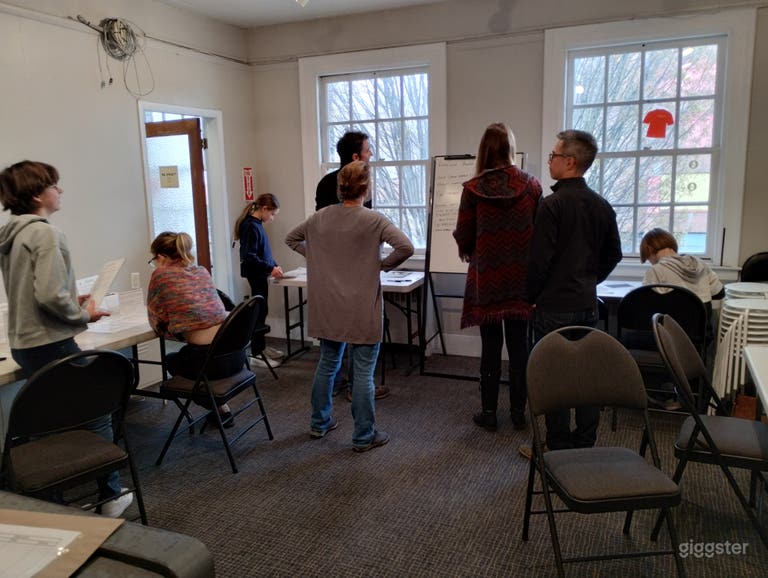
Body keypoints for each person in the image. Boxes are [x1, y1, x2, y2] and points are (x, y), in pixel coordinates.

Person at [0, 160, 132, 517]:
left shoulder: (11, 233)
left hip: (25, 342)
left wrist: (69, 300)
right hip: (52, 340)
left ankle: (52, 502)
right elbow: (48, 297)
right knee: (98, 410)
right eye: (55, 185)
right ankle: (112, 495)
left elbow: (32, 292)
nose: (61, 192)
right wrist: (81, 314)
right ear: (37, 193)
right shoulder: (45, 233)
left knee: (46, 416)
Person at [286, 160, 413, 452]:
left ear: (340, 187)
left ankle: (319, 423)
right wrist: (381, 265)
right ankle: (363, 436)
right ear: (366, 189)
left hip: (328, 306)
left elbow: (291, 239)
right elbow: (404, 247)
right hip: (361, 308)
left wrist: (316, 256)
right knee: (363, 373)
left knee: (327, 364)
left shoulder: (318, 218)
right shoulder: (374, 220)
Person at [524, 130, 622, 455]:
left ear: (569, 161)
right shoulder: (602, 206)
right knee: (584, 374)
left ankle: (558, 448)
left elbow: (539, 261)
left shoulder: (552, 206)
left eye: (553, 155)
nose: (549, 160)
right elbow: (614, 255)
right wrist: (591, 281)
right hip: (586, 304)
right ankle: (585, 443)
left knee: (555, 378)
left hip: (553, 306)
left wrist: (531, 295)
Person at [453, 123, 542, 432]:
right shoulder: (532, 186)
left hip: (487, 279)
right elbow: (539, 232)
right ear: (510, 148)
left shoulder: (473, 189)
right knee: (520, 348)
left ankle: (489, 412)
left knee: (490, 347)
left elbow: (464, 233)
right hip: (521, 281)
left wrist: (470, 249)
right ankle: (519, 412)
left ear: (484, 150)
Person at [315, 130, 385, 400]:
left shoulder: (324, 184)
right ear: (356, 157)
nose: (370, 154)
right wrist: (381, 264)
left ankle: (325, 408)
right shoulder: (361, 188)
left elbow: (312, 233)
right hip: (356, 277)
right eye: (368, 150)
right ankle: (356, 390)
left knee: (330, 350)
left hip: (329, 277)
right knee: (360, 340)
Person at [146, 231, 239, 427]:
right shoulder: (202, 271)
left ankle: (219, 408)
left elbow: (156, 320)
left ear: (161, 257)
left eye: (153, 259)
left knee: (172, 360)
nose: (154, 263)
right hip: (234, 355)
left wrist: (176, 328)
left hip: (206, 362)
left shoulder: (161, 275)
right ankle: (222, 409)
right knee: (185, 355)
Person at [233, 193, 284, 365]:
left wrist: (274, 265)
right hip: (256, 274)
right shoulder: (250, 226)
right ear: (264, 209)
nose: (272, 218)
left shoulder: (257, 225)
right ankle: (256, 353)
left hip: (261, 273)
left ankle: (260, 347)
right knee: (259, 312)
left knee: (262, 310)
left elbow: (263, 252)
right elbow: (250, 256)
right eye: (272, 214)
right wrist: (270, 268)